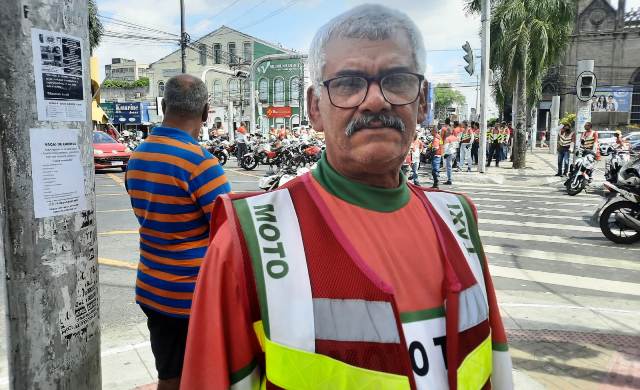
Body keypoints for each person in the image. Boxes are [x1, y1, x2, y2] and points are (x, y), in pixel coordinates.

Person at [181, 5, 513, 389]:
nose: (375, 101)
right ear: (314, 109)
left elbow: (495, 369)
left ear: (422, 102)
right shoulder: (249, 242)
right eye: (348, 83)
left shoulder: (458, 220)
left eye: (397, 79)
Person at [125, 75, 231, 390]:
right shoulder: (202, 164)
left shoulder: (138, 155)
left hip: (151, 289)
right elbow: (227, 234)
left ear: (163, 105)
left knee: (168, 375)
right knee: (201, 378)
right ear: (205, 112)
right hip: (192, 298)